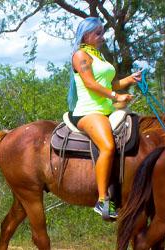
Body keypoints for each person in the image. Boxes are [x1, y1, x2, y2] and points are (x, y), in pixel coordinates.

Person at [66, 17, 142, 219]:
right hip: (88, 112)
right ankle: (102, 200)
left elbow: (109, 84)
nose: (102, 37)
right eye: (98, 33)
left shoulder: (97, 56)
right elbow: (91, 84)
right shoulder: (80, 55)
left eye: (102, 32)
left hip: (105, 109)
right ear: (86, 35)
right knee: (108, 146)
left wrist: (129, 80)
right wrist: (117, 97)